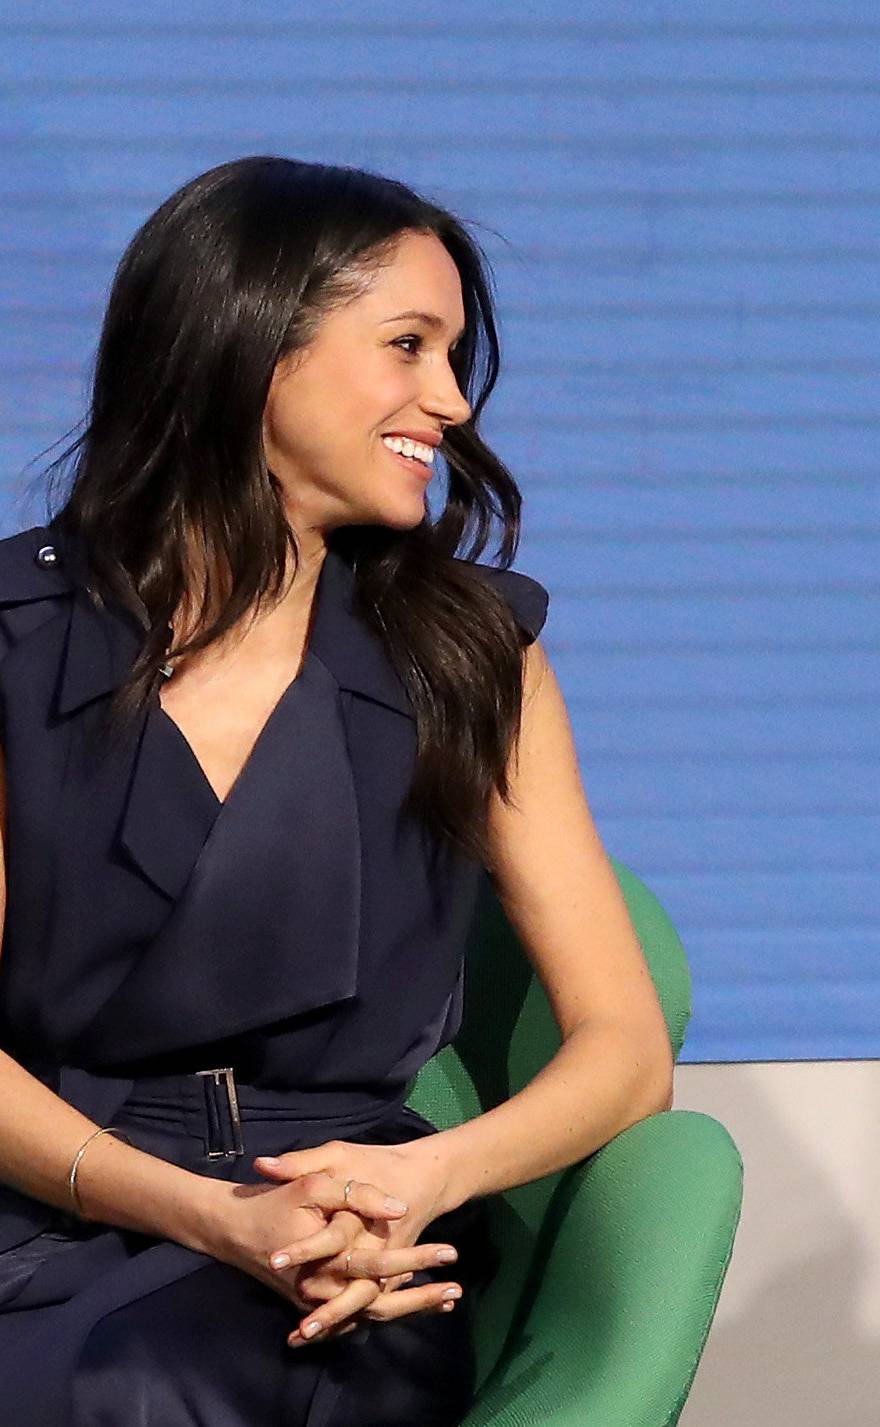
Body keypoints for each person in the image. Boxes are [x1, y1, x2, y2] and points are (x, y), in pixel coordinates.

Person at [0, 157, 673, 1425]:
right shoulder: (11, 634)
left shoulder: (475, 654)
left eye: (455, 354)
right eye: (408, 346)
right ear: (249, 345)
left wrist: (417, 1185)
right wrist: (198, 1207)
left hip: (350, 1234)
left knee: (155, 1385)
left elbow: (627, 1051)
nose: (454, 400)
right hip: (49, 1193)